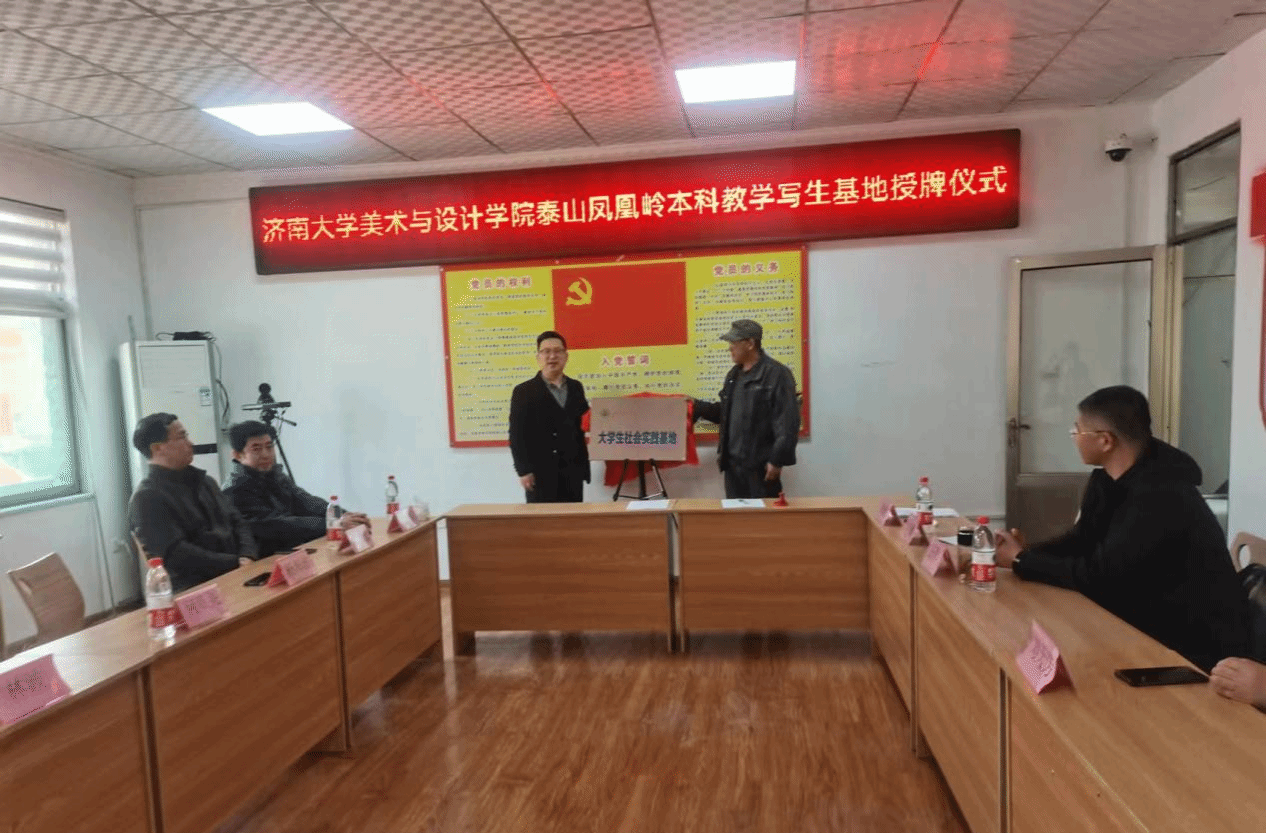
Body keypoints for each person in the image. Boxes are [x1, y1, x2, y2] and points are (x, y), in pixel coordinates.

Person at [993, 385, 1253, 672]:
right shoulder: (1107, 479)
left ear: (1105, 441)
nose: (1074, 437)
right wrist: (1024, 554)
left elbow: (1100, 576)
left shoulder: (1161, 495)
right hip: (1144, 618)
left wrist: (1021, 560)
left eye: (1077, 430)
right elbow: (1081, 540)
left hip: (1194, 646)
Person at [128, 412, 258, 592]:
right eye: (182, 437)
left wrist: (247, 555)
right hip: (194, 589)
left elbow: (237, 521)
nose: (190, 443)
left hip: (237, 572)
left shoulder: (206, 482)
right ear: (158, 448)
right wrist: (235, 563)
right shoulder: (147, 498)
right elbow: (177, 555)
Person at [221, 420, 370, 556]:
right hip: (264, 559)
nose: (266, 454)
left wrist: (344, 516)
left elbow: (307, 502)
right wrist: (334, 524)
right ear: (238, 455)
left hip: (292, 550)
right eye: (256, 449)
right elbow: (277, 525)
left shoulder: (275, 475)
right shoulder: (234, 489)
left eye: (269, 447)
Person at [690, 319, 800, 499]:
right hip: (733, 467)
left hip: (761, 467)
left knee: (762, 515)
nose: (730, 348)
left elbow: (787, 421)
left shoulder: (777, 374)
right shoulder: (733, 376)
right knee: (736, 515)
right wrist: (697, 406)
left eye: (734, 342)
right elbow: (726, 413)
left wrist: (777, 460)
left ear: (750, 344)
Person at [508, 331, 590, 502]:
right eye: (546, 351)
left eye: (558, 351)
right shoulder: (523, 391)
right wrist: (523, 471)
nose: (552, 356)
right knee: (541, 518)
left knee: (574, 517)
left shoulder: (576, 387)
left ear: (566, 356)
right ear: (538, 357)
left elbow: (583, 424)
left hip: (572, 470)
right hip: (540, 472)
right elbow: (516, 434)